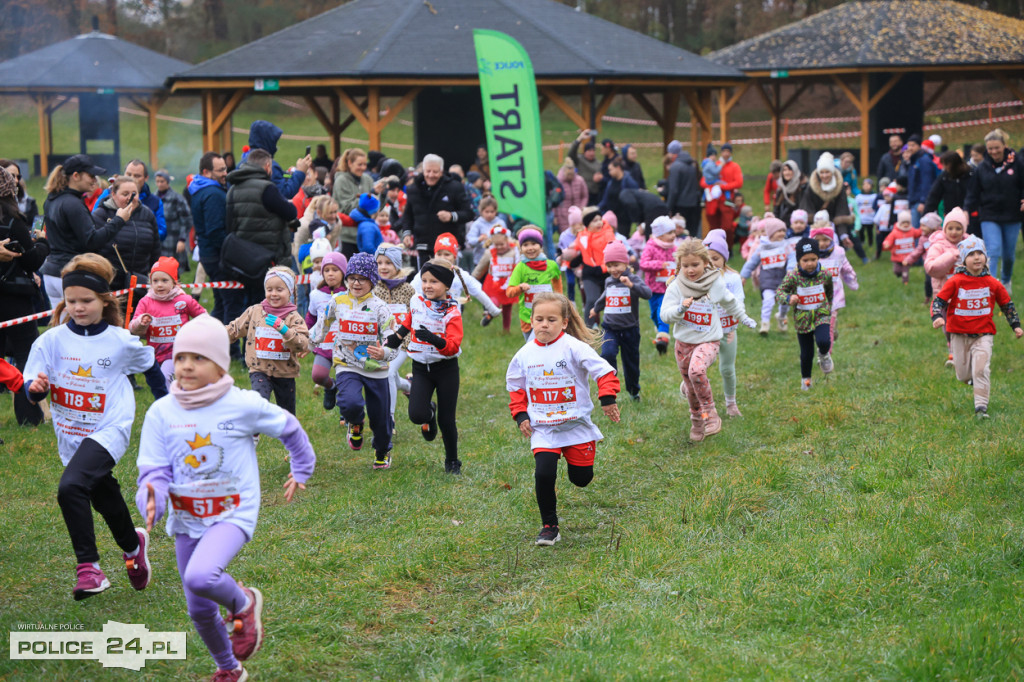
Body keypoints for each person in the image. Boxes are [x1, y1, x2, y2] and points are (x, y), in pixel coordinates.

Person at [135, 315, 315, 681]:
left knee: (201, 576)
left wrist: (301, 467)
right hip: (187, 517)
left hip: (233, 511)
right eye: (181, 357)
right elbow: (153, 470)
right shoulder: (161, 412)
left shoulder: (242, 404)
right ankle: (229, 668)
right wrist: (151, 496)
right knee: (199, 609)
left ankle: (243, 602)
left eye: (199, 358)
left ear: (220, 365)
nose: (187, 365)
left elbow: (289, 427)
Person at [22, 253, 154, 599]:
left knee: (70, 488)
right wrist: (36, 389)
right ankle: (133, 547)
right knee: (103, 495)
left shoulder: (119, 340)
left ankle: (89, 569)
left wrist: (173, 406)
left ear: (104, 300)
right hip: (71, 435)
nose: (78, 308)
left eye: (87, 300)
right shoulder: (50, 341)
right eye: (71, 301)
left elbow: (150, 366)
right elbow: (30, 383)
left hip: (110, 428)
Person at [506, 292, 620, 546]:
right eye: (539, 319)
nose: (544, 325)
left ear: (565, 322)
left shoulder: (573, 347)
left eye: (551, 320)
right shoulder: (524, 354)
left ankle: (578, 459)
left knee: (581, 479)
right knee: (543, 474)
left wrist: (607, 397)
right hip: (543, 428)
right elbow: (515, 386)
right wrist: (521, 414)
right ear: (531, 321)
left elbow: (604, 372)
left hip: (575, 426)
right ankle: (549, 526)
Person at [661, 239, 756, 441]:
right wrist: (680, 309)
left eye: (695, 264)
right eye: (686, 265)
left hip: (709, 340)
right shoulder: (676, 286)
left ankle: (711, 414)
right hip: (683, 344)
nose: (690, 270)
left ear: (705, 262)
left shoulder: (714, 282)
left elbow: (730, 302)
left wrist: (743, 317)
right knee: (690, 387)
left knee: (696, 371)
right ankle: (697, 421)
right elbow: (665, 315)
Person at [311, 252, 396, 468]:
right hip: (346, 363)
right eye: (352, 278)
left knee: (380, 418)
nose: (356, 283)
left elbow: (392, 337)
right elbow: (321, 327)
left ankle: (382, 450)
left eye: (362, 279)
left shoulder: (380, 307)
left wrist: (385, 352)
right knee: (350, 403)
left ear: (372, 281)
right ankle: (355, 423)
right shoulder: (337, 301)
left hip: (376, 368)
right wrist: (306, 344)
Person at [384, 258, 465, 474]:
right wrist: (396, 338)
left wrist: (434, 339)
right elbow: (409, 321)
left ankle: (452, 461)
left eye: (434, 282)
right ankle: (429, 411)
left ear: (446, 285)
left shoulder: (452, 312)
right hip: (420, 367)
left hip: (446, 369)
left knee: (446, 420)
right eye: (425, 280)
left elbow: (453, 346)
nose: (427, 286)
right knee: (417, 415)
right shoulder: (417, 301)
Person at [931, 235, 1022, 418]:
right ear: (964, 260)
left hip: (983, 334)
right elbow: (939, 301)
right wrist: (937, 316)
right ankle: (973, 380)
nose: (977, 257)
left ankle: (981, 408)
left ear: (985, 257)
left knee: (981, 370)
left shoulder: (992, 283)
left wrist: (1016, 325)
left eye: (980, 253)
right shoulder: (955, 281)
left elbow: (1007, 305)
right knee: (963, 375)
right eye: (971, 254)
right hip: (958, 334)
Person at [39, 154, 131, 307]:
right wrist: (119, 220)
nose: (95, 180)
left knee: (60, 322)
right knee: (81, 320)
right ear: (76, 176)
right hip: (69, 274)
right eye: (91, 175)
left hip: (51, 274)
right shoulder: (73, 203)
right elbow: (92, 241)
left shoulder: (52, 199)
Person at [226, 267, 311, 415]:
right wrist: (213, 334)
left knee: (287, 415)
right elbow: (234, 329)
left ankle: (287, 431)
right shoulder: (255, 312)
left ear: (290, 291)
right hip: (259, 369)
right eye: (269, 289)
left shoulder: (294, 318)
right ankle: (257, 429)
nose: (274, 294)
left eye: (279, 289)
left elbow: (302, 344)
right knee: (258, 404)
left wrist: (285, 330)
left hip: (285, 372)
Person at [0, 166, 49, 425]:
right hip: (15, 297)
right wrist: (42, 242)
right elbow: (31, 261)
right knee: (26, 355)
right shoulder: (13, 222)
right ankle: (28, 416)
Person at [225, 149, 300, 306]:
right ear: (267, 166)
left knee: (248, 305)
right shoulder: (267, 188)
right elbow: (290, 212)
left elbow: (229, 224)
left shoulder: (233, 189)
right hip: (268, 257)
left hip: (242, 257)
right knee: (269, 305)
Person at [129, 256, 208, 391]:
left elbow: (204, 317)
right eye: (155, 281)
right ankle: (179, 397)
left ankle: (173, 400)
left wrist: (198, 331)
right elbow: (132, 327)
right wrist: (141, 322)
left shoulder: (184, 300)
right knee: (160, 381)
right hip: (156, 352)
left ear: (174, 282)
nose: (159, 285)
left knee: (166, 376)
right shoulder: (146, 302)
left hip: (179, 350)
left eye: (164, 280)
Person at [590, 240, 651, 401]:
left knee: (631, 363)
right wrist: (596, 308)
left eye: (616, 265)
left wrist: (631, 285)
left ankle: (633, 390)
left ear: (625, 263)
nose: (613, 269)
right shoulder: (609, 280)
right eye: (609, 266)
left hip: (630, 329)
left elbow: (647, 294)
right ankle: (609, 388)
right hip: (610, 328)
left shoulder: (633, 279)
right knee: (607, 354)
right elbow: (605, 296)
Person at [964, 129, 1024, 291]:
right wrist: (966, 209)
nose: (994, 151)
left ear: (1004, 146)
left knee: (1008, 255)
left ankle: (1006, 280)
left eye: (997, 147)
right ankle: (990, 287)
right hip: (989, 214)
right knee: (993, 250)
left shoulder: (1017, 163)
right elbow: (973, 192)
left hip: (1012, 215)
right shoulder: (982, 168)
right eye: (990, 148)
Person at [776, 238, 834, 390]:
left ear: (818, 258)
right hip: (803, 320)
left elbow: (829, 292)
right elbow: (779, 293)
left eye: (813, 259)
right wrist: (789, 298)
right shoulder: (793, 276)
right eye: (805, 260)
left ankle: (824, 354)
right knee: (806, 354)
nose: (810, 264)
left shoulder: (825, 274)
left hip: (821, 314)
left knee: (824, 341)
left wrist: (828, 308)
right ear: (798, 260)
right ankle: (806, 381)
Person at [399, 154, 474, 270]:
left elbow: (469, 213)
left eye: (435, 172)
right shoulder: (413, 188)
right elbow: (408, 215)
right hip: (423, 245)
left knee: (448, 278)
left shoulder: (455, 187)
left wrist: (451, 216)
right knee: (424, 279)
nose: (431, 175)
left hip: (447, 246)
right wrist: (407, 233)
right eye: (428, 171)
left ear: (441, 171)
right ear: (423, 171)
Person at [703, 229, 745, 417]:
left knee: (727, 369)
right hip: (705, 332)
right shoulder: (698, 279)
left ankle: (731, 404)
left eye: (716, 258)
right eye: (707, 259)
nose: (711, 263)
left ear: (724, 259)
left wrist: (734, 323)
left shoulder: (732, 278)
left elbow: (739, 302)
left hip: (728, 331)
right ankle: (688, 386)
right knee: (700, 366)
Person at [372, 244, 416, 426]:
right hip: (381, 342)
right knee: (391, 375)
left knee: (389, 372)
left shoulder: (408, 290)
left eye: (388, 263)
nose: (383, 267)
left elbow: (415, 315)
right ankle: (408, 386)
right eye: (380, 263)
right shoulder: (373, 289)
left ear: (397, 265)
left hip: (403, 342)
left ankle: (388, 419)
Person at [92, 175, 160, 290]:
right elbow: (93, 246)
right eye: (125, 194)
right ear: (113, 195)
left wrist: (155, 273)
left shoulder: (147, 215)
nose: (130, 198)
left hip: (139, 281)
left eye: (134, 193)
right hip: (109, 282)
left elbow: (155, 249)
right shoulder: (101, 215)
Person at [411, 233, 501, 319]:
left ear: (454, 257)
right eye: (439, 254)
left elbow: (477, 291)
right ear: (434, 255)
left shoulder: (460, 275)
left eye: (447, 254)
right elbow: (411, 291)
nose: (442, 258)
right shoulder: (426, 272)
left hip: (452, 320)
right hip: (429, 320)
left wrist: (493, 310)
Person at [924, 208, 969, 367]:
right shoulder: (938, 246)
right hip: (944, 296)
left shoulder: (970, 245)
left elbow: (981, 263)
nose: (954, 232)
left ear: (964, 230)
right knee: (948, 327)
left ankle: (963, 353)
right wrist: (951, 256)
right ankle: (952, 348)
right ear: (944, 229)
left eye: (958, 228)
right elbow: (931, 268)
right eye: (950, 228)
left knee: (964, 325)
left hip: (965, 295)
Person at [304, 251, 347, 410]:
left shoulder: (350, 294)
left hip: (345, 347)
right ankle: (331, 386)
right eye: (326, 270)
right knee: (318, 376)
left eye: (335, 270)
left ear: (343, 272)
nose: (330, 274)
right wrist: (304, 336)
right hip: (324, 346)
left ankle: (345, 413)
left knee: (346, 382)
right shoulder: (316, 295)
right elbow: (311, 318)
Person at [504, 228, 564, 339]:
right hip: (528, 318)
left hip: (548, 316)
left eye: (534, 244)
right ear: (521, 248)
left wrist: (560, 303)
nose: (530, 248)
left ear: (540, 246)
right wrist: (520, 288)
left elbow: (558, 286)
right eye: (525, 245)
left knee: (543, 344)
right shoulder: (520, 268)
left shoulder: (551, 266)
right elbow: (509, 292)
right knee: (532, 347)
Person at [799, 152, 861, 258]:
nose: (824, 175)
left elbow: (841, 213)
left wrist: (843, 235)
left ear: (832, 172)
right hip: (815, 226)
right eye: (822, 172)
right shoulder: (811, 187)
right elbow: (807, 211)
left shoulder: (839, 187)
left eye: (827, 172)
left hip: (833, 228)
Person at [561, 208, 616, 326]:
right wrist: (564, 256)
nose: (599, 223)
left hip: (607, 273)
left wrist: (603, 268)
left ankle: (610, 326)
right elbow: (574, 248)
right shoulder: (582, 235)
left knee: (609, 301)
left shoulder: (608, 234)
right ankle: (588, 329)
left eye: (600, 219)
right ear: (587, 224)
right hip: (589, 273)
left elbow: (613, 253)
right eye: (595, 221)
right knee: (591, 300)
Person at [740, 215, 790, 335]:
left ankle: (782, 318)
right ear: (771, 232)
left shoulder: (786, 246)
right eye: (779, 231)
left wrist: (791, 270)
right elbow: (752, 262)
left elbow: (792, 258)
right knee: (768, 301)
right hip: (767, 280)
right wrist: (743, 276)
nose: (782, 233)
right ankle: (765, 324)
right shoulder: (762, 247)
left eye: (783, 230)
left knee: (785, 303)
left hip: (784, 280)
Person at [811, 223, 858, 346]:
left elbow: (845, 267)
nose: (822, 243)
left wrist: (852, 278)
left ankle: (826, 353)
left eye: (825, 240)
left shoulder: (838, 252)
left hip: (834, 294)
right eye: (818, 240)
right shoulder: (809, 255)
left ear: (831, 239)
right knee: (818, 326)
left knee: (828, 328)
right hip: (814, 296)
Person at [639, 215, 678, 355]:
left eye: (674, 232)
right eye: (670, 233)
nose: (673, 235)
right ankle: (660, 328)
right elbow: (643, 264)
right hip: (653, 288)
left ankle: (663, 338)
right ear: (660, 235)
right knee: (654, 314)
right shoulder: (651, 246)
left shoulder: (674, 248)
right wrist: (660, 265)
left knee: (662, 311)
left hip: (668, 288)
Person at [246, 120, 311, 200]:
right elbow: (285, 193)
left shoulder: (244, 161)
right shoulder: (268, 164)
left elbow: (279, 177)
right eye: (273, 141)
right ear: (267, 140)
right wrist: (300, 172)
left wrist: (290, 174)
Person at [472, 225, 519, 334]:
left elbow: (519, 266)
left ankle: (506, 330)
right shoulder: (489, 253)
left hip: (508, 283)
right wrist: (472, 279)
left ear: (507, 241)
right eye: (496, 245)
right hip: (494, 282)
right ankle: (490, 314)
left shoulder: (515, 252)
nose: (499, 247)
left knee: (507, 308)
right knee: (494, 301)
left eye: (502, 244)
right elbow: (481, 267)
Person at [155, 170, 191, 271]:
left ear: (167, 182)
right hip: (158, 241)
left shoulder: (177, 198)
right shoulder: (154, 198)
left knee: (172, 270)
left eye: (162, 181)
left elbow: (186, 220)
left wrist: (182, 240)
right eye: (157, 181)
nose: (159, 184)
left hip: (173, 241)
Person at [665, 140, 701, 236]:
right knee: (692, 235)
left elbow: (674, 190)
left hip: (680, 206)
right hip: (694, 204)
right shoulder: (692, 164)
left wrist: (668, 208)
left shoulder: (675, 167)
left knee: (679, 235)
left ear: (672, 154)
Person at [332, 148, 380, 217]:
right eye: (360, 165)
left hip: (366, 222)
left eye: (365, 164)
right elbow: (347, 209)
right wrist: (368, 197)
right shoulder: (341, 181)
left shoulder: (368, 179)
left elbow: (376, 209)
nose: (363, 168)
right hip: (346, 222)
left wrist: (382, 194)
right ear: (350, 163)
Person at [597, 158, 638, 237]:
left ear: (618, 168)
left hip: (623, 219)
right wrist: (596, 208)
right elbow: (605, 199)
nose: (609, 172)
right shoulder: (611, 182)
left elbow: (634, 197)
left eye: (611, 169)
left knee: (621, 238)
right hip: (611, 217)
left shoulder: (628, 181)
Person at [924, 150, 971, 218]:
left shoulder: (970, 174)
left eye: (946, 164)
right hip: (950, 214)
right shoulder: (944, 177)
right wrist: (926, 215)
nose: (944, 167)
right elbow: (934, 196)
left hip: (969, 214)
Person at [906, 134, 939, 228]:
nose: (910, 148)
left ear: (919, 146)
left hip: (920, 202)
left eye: (913, 145)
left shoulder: (924, 160)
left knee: (920, 230)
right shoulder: (914, 159)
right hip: (914, 200)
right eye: (909, 145)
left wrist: (923, 201)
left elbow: (927, 182)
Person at [882, 210, 922, 285]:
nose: (905, 224)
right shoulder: (895, 232)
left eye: (907, 222)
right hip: (897, 257)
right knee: (896, 270)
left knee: (905, 271)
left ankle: (905, 282)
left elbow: (918, 233)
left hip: (908, 256)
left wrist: (922, 228)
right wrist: (887, 244)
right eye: (903, 223)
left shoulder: (912, 231)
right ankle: (898, 274)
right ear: (900, 223)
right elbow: (889, 239)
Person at [465, 195, 507, 267]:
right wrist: (479, 239)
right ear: (481, 211)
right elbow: (470, 240)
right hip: (480, 260)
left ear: (496, 211)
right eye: (487, 212)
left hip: (498, 260)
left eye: (492, 212)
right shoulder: (477, 224)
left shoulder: (500, 223)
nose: (489, 214)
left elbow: (507, 238)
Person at [554, 158, 588, 234]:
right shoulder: (558, 182)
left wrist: (582, 207)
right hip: (563, 216)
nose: (570, 176)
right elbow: (555, 201)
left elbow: (584, 196)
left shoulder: (580, 180)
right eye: (568, 174)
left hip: (578, 214)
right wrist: (555, 216)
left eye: (572, 174)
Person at [569, 131, 603, 205]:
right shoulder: (579, 160)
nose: (592, 153)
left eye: (593, 151)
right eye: (589, 151)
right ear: (584, 152)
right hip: (581, 194)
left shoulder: (599, 164)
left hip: (594, 195)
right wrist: (579, 139)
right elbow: (571, 153)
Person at [773, 159, 805, 226]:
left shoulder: (802, 187)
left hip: (798, 225)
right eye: (784, 170)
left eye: (790, 170)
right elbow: (776, 209)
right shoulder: (780, 189)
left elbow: (803, 208)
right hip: (782, 225)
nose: (787, 172)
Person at [854, 177, 878, 250]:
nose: (866, 186)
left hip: (870, 218)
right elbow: (856, 206)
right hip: (862, 218)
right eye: (864, 184)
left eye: (868, 184)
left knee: (870, 232)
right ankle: (862, 242)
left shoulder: (874, 196)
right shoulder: (859, 197)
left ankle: (870, 243)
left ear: (872, 186)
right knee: (861, 231)